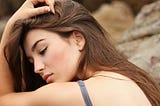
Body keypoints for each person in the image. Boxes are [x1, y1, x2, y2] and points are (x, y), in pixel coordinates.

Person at [0, 0, 160, 105]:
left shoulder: (81, 93)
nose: (37, 68)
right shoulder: (130, 79)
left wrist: (11, 25)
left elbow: (4, 100)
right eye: (31, 61)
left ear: (78, 39)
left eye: (42, 50)